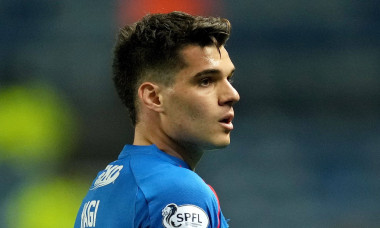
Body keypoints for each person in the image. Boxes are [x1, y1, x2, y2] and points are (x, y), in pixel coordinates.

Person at [74, 11, 240, 228]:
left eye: (229, 79)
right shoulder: (178, 191)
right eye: (206, 81)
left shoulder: (103, 188)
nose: (232, 95)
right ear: (154, 97)